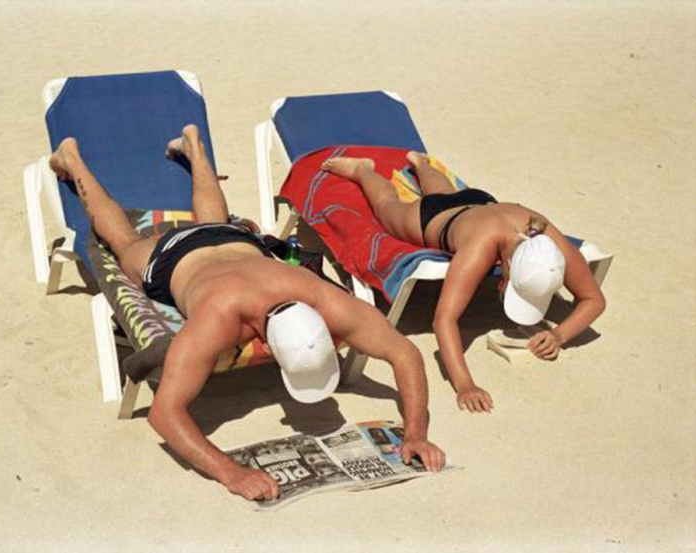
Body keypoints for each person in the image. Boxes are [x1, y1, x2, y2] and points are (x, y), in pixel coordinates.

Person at [48, 125, 446, 502]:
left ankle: (190, 146)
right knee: (124, 242)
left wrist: (416, 433)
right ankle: (76, 159)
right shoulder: (229, 317)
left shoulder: (317, 300)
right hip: (177, 257)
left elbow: (404, 355)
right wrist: (231, 473)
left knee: (212, 225)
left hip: (232, 239)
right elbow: (164, 414)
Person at [321, 153, 606, 415]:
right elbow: (444, 319)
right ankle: (363, 170)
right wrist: (465, 384)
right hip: (433, 217)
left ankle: (421, 165)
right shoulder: (479, 249)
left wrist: (559, 335)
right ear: (506, 266)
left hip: (478, 202)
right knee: (387, 208)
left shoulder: (544, 235)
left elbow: (595, 300)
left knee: (447, 194)